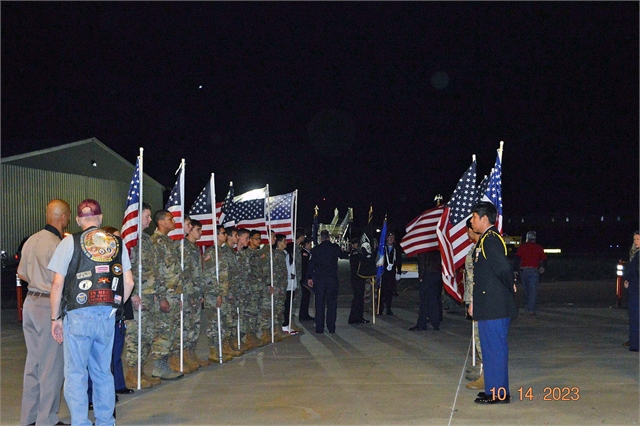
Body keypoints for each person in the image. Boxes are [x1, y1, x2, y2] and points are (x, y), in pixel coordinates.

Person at [49, 199, 134, 425]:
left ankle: (80, 422)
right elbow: (129, 281)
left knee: (76, 373)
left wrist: (55, 318)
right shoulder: (117, 242)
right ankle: (106, 421)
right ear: (101, 218)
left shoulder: (70, 242)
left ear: (77, 220)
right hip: (106, 315)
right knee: (103, 372)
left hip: (77, 315)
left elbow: (57, 284)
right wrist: (115, 308)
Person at [18, 199, 71, 426]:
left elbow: (22, 274)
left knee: (34, 364)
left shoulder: (31, 239)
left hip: (30, 303)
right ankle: (47, 420)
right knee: (51, 367)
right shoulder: (57, 244)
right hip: (48, 306)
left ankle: (29, 418)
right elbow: (61, 282)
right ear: (64, 217)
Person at [468, 202, 518, 404]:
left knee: (495, 351)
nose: (471, 222)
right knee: (489, 351)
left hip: (495, 306)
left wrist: (510, 286)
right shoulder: (484, 241)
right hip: (488, 305)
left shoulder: (491, 240)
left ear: (484, 219)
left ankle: (499, 394)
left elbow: (504, 269)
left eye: (473, 217)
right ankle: (492, 389)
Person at [123, 202, 167, 388]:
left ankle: (141, 371)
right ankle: (132, 374)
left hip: (150, 295)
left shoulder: (147, 240)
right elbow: (124, 269)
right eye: (147, 216)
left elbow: (153, 269)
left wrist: (157, 293)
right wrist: (131, 293)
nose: (150, 219)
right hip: (137, 297)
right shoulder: (129, 240)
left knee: (147, 336)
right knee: (135, 337)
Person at [149, 209, 185, 380]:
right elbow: (155, 272)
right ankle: (159, 367)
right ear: (161, 222)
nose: (174, 221)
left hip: (174, 294)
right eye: (170, 219)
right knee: (163, 332)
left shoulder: (167, 242)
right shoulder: (156, 242)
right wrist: (162, 296)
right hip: (165, 295)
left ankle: (165, 364)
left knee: (170, 331)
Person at [180, 219, 208, 369]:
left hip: (195, 291)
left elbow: (198, 272)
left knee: (195, 325)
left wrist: (200, 291)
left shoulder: (195, 248)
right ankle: (184, 355)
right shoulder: (182, 246)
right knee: (187, 325)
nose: (201, 232)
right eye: (198, 229)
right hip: (186, 292)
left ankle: (191, 352)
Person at [307, 230, 348, 333]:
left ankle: (319, 328)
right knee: (332, 304)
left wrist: (309, 277)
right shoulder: (334, 248)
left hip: (320, 279)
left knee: (319, 304)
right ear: (329, 237)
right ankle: (331, 327)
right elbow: (343, 256)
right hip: (332, 278)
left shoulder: (316, 249)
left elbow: (311, 264)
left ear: (321, 238)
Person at [462, 219, 484, 390]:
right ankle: (484, 369)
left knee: (481, 338)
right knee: (478, 338)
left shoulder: (481, 248)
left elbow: (478, 278)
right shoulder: (476, 247)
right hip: (475, 298)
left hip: (480, 300)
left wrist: (474, 301)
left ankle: (486, 375)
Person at [513, 231, 547, 315]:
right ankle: (530, 308)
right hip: (534, 270)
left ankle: (528, 306)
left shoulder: (523, 247)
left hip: (523, 271)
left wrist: (514, 270)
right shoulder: (538, 247)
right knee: (532, 290)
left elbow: (517, 259)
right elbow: (544, 259)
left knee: (526, 290)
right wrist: (543, 267)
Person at [409, 249, 441, 331]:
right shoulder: (437, 246)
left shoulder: (423, 247)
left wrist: (421, 276)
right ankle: (435, 323)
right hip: (437, 273)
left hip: (428, 274)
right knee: (434, 300)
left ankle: (421, 324)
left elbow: (422, 261)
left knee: (424, 301)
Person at [378, 231, 402, 316]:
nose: (391, 239)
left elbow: (399, 261)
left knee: (389, 292)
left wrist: (399, 272)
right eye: (389, 237)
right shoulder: (382, 248)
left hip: (391, 273)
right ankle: (379, 308)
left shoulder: (396, 248)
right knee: (381, 292)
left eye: (392, 238)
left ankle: (388, 308)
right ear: (386, 238)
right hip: (383, 273)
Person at [623, 231, 639, 352]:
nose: (636, 241)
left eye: (638, 239)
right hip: (634, 288)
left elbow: (633, 271)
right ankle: (633, 340)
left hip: (636, 289)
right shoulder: (635, 254)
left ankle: (635, 343)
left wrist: (627, 278)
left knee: (635, 316)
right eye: (635, 239)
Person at [348, 238, 369, 324]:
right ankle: (354, 317)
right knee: (358, 298)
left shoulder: (356, 253)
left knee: (360, 298)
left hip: (359, 278)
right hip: (357, 278)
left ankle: (359, 317)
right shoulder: (355, 253)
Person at [298, 238, 314, 321]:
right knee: (305, 297)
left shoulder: (307, 253)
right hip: (304, 279)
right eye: (310, 244)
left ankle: (305, 314)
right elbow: (305, 267)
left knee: (306, 297)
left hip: (305, 278)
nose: (311, 246)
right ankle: (303, 315)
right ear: (306, 244)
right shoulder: (304, 254)